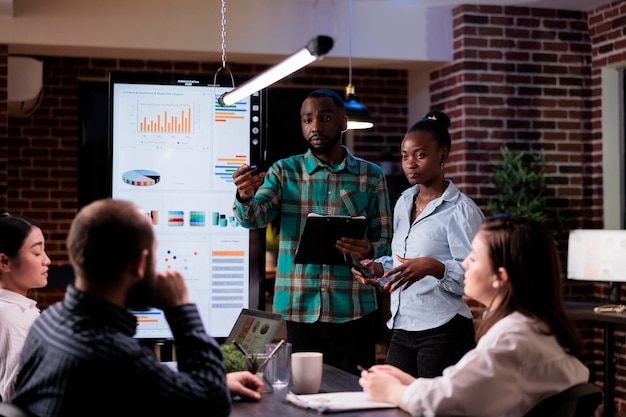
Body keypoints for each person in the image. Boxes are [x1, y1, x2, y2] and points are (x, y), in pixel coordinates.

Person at [12, 199, 262, 417]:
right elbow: (211, 406)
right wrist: (180, 308)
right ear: (140, 264)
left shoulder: (49, 321)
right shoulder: (112, 354)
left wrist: (213, 383)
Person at [359, 215, 590, 417]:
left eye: (474, 258)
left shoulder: (512, 338)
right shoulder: (538, 327)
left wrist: (393, 391)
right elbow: (458, 390)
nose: (464, 265)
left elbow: (447, 401)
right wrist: (407, 383)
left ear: (500, 277)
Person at [232, 89, 392, 374]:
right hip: (298, 307)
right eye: (307, 120)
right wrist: (245, 196)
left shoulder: (372, 176)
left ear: (343, 122)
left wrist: (368, 249)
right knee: (303, 397)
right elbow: (253, 218)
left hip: (354, 309)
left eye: (325, 118)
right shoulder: (284, 172)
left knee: (355, 398)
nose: (315, 127)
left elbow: (386, 242)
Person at [353, 110, 484, 378]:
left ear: (443, 156)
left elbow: (478, 275)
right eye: (405, 156)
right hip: (402, 326)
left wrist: (436, 268)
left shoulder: (461, 210)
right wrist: (378, 269)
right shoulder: (403, 202)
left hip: (444, 328)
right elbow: (404, 260)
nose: (410, 163)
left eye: (420, 155)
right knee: (393, 404)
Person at [0, 213, 50, 402]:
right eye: (37, 253)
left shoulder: (19, 309)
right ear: (5, 262)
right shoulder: (10, 316)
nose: (47, 260)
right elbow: (21, 391)